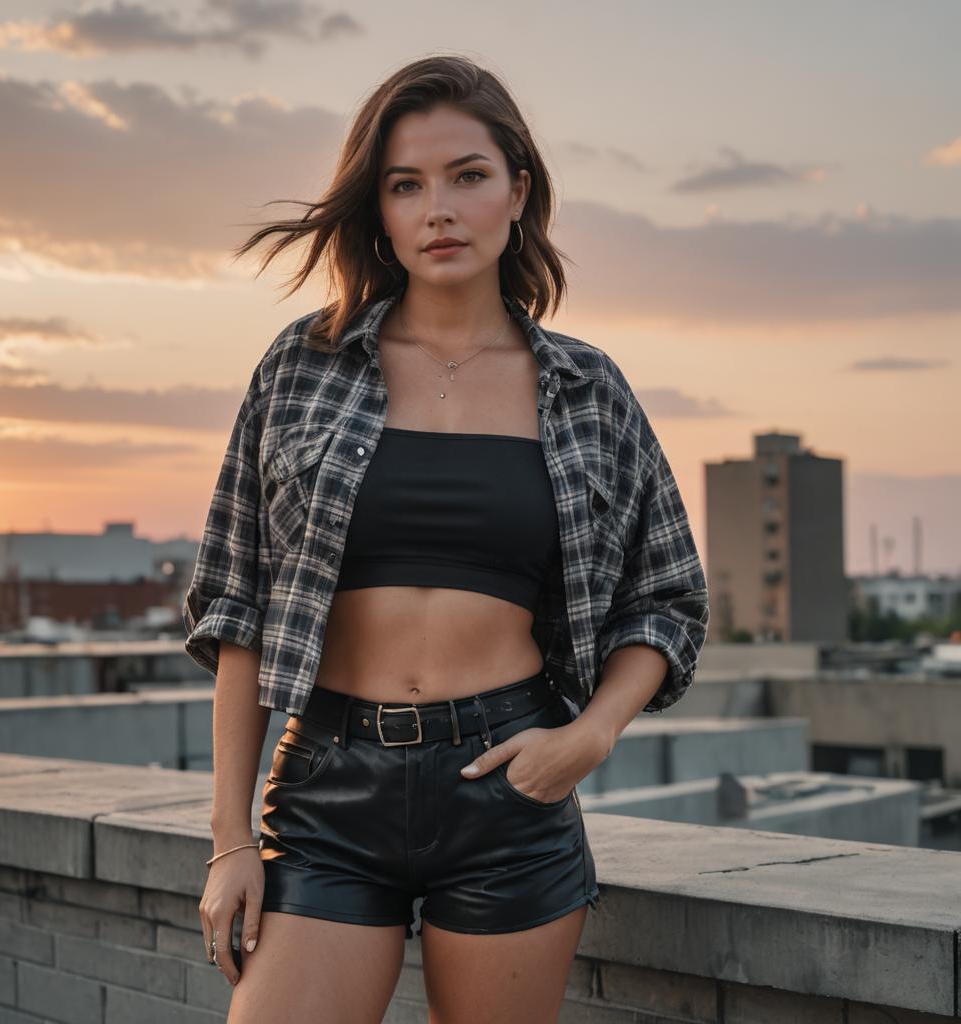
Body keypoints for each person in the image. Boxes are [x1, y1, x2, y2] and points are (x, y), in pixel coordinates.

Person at [184, 54, 710, 1024]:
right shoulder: (301, 366)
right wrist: (228, 841)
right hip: (326, 793)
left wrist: (587, 738)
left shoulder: (588, 389)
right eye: (405, 184)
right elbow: (237, 606)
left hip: (507, 793)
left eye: (467, 175)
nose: (439, 209)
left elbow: (666, 595)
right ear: (378, 211)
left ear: (517, 190)